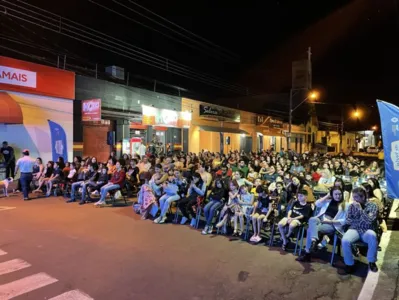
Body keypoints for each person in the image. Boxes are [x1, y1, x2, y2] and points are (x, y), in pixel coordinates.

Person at [297, 187, 348, 262]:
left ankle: (307, 253)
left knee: (310, 230)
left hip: (332, 224)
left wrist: (331, 222)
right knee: (312, 219)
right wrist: (327, 196)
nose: (338, 196)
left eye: (340, 194)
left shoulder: (345, 204)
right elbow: (317, 204)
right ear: (332, 195)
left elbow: (345, 220)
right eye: (336, 194)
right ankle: (314, 241)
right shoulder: (328, 201)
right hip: (321, 220)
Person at [341, 187, 379, 274]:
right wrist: (361, 220)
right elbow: (347, 220)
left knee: (372, 236)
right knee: (345, 240)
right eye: (353, 197)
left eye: (356, 197)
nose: (354, 199)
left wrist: (360, 210)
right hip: (354, 229)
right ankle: (349, 264)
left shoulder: (373, 206)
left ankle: (371, 261)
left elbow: (369, 221)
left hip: (367, 230)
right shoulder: (352, 206)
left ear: (363, 197)